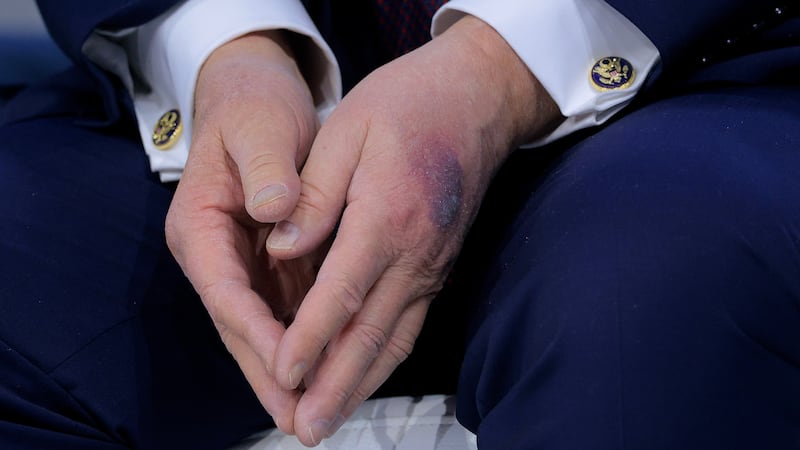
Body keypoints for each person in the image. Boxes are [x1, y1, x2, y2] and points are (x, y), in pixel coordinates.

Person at [1, 0, 798, 448]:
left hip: (691, 84)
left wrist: (495, 67)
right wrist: (234, 50)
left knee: (651, 314)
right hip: (239, 95)